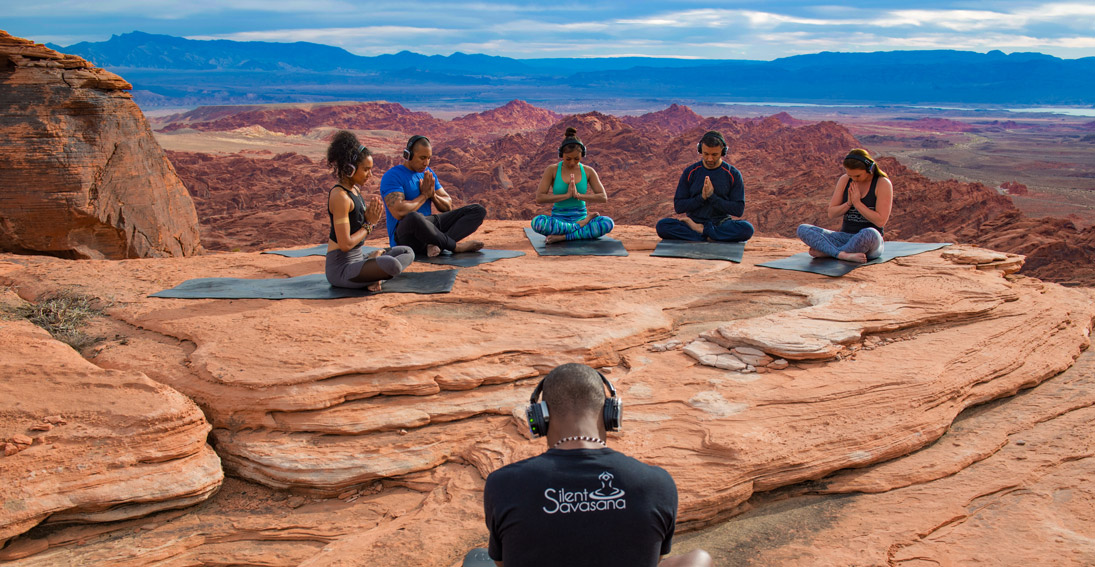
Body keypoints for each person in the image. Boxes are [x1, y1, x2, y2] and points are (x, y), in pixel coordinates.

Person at [482, 363, 713, 567]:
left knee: (477, 558)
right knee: (699, 559)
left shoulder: (503, 484)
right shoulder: (656, 483)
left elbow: (503, 563)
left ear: (540, 419)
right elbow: (653, 558)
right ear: (611, 415)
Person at [324, 131, 414, 291]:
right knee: (392, 265)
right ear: (350, 169)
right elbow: (345, 245)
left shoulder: (355, 191)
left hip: (359, 259)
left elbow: (356, 227)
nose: (370, 175)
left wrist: (367, 221)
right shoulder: (340, 197)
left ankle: (374, 275)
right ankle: (376, 277)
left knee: (408, 251)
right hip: (342, 270)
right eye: (366, 170)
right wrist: (369, 224)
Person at [379, 135, 486, 257]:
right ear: (408, 155)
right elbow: (399, 212)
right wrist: (424, 196)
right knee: (414, 217)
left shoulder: (428, 173)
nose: (426, 163)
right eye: (422, 158)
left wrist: (433, 195)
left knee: (477, 211)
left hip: (429, 227)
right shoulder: (393, 176)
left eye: (429, 158)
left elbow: (447, 206)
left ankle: (437, 244)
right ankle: (455, 246)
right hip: (407, 236)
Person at [796, 149, 893, 263]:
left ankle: (829, 252)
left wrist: (858, 203)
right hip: (844, 238)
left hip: (869, 242)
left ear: (869, 169)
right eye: (850, 175)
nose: (854, 179)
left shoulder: (882, 183)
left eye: (857, 175)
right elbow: (832, 213)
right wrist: (848, 203)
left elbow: (880, 221)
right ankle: (841, 254)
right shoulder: (845, 180)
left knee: (870, 233)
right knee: (803, 229)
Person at [656, 131, 754, 243]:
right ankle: (711, 235)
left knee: (746, 229)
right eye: (706, 154)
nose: (710, 159)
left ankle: (701, 233)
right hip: (694, 222)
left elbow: (738, 210)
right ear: (700, 150)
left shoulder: (733, 174)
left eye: (714, 155)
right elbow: (679, 206)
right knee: (662, 226)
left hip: (721, 223)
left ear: (723, 152)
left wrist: (712, 197)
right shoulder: (690, 172)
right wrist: (701, 198)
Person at [531, 127, 615, 243]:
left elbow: (603, 197)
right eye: (568, 159)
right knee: (537, 222)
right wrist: (566, 195)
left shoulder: (588, 171)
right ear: (561, 155)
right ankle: (580, 227)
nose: (572, 162)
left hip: (579, 216)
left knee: (607, 223)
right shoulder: (552, 170)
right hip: (559, 219)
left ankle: (563, 237)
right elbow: (540, 198)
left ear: (582, 155)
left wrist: (578, 196)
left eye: (577, 159)